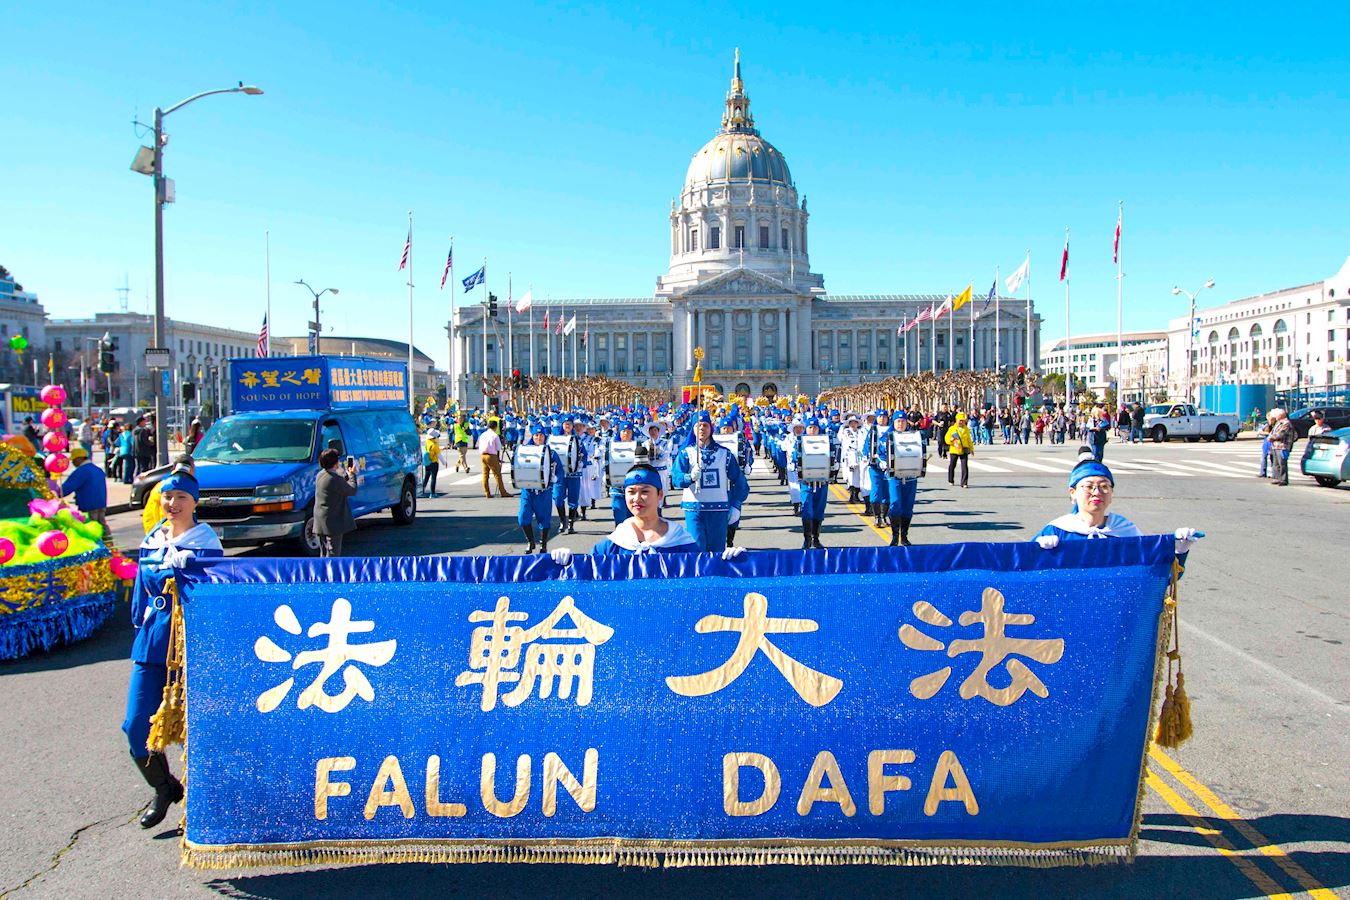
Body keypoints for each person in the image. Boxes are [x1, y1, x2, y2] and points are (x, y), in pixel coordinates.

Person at [123, 471, 223, 829]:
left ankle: (200, 804)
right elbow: (141, 593)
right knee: (137, 725)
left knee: (193, 728)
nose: (173, 503)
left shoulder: (206, 542)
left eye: (181, 497)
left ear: (194, 502)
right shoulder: (152, 540)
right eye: (168, 496)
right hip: (153, 641)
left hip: (190, 641)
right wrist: (139, 627)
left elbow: (215, 594)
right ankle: (164, 788)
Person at [1032, 451, 1203, 564]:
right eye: (1089, 486)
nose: (1096, 492)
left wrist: (1179, 551)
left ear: (1112, 493)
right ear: (1073, 493)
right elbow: (1024, 574)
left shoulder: (1126, 532)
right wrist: (1036, 554)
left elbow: (1155, 577)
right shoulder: (1058, 530)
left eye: (1104, 486)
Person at [549, 463, 746, 561]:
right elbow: (587, 570)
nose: (637, 499)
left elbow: (703, 576)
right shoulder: (616, 543)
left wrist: (734, 563)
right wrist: (565, 562)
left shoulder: (680, 541)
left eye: (645, 492)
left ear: (660, 495)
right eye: (631, 492)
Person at [670, 410, 748, 553]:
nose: (701, 428)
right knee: (697, 551)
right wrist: (689, 477)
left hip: (718, 509)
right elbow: (675, 478)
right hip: (694, 510)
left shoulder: (725, 454)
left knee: (717, 552)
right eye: (698, 425)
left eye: (705, 425)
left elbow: (740, 481)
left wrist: (736, 504)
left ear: (711, 428)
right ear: (693, 429)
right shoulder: (686, 454)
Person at [516, 426, 565, 553]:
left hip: (543, 492)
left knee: (544, 519)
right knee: (523, 517)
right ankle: (530, 541)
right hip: (528, 491)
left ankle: (543, 544)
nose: (539, 438)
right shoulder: (525, 451)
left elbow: (559, 471)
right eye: (536, 435)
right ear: (532, 436)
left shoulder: (551, 453)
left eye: (541, 435)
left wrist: (555, 478)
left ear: (545, 437)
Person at [884, 411, 924, 546]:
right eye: (898, 421)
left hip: (910, 476)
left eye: (903, 421)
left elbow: (921, 450)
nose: (900, 424)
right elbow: (881, 453)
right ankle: (895, 536)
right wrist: (883, 462)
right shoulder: (888, 436)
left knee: (908, 506)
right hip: (895, 476)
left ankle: (904, 536)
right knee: (895, 503)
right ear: (894, 423)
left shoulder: (914, 436)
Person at [313, 448, 358, 556]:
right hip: (332, 523)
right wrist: (352, 475)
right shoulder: (334, 479)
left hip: (320, 520)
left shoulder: (320, 475)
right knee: (333, 553)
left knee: (324, 552)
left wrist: (346, 476)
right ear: (335, 462)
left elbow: (339, 485)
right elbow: (352, 490)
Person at [796, 417, 830, 549]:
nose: (812, 430)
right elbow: (795, 455)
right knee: (807, 509)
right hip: (806, 482)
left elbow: (832, 455)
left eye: (815, 428)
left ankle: (816, 538)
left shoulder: (825, 441)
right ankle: (807, 539)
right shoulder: (801, 441)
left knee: (819, 509)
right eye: (810, 428)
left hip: (822, 481)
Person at [59, 446, 108, 529]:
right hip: (101, 503)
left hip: (88, 504)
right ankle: (107, 537)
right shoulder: (97, 469)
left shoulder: (81, 471)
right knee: (101, 524)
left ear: (80, 458)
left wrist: (56, 494)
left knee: (91, 528)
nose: (73, 462)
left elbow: (67, 487)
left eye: (74, 460)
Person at [478, 418, 513, 499]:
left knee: (485, 475)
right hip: (491, 456)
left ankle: (487, 492)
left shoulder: (483, 435)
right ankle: (503, 492)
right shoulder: (494, 435)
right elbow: (498, 448)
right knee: (497, 475)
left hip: (483, 455)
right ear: (496, 427)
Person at [1267, 408, 1295, 486]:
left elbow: (1281, 433)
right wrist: (1270, 436)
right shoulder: (1278, 423)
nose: (1275, 416)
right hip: (1275, 446)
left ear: (1281, 415)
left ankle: (1283, 479)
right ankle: (1277, 478)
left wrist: (1272, 438)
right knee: (1275, 463)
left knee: (1282, 463)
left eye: (1276, 415)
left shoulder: (1286, 423)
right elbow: (1273, 432)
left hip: (1283, 446)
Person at [946, 412, 973, 488]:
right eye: (960, 420)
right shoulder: (952, 429)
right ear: (956, 420)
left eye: (963, 420)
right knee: (952, 465)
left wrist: (971, 448)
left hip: (964, 449)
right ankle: (951, 479)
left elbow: (969, 440)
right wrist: (951, 440)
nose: (961, 422)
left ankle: (964, 482)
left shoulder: (966, 429)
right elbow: (946, 438)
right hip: (955, 449)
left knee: (964, 466)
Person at [421, 428, 441, 498]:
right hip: (434, 463)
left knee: (426, 477)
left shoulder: (427, 442)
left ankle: (422, 491)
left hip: (427, 462)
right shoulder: (435, 445)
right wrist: (444, 463)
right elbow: (439, 455)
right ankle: (432, 493)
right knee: (433, 478)